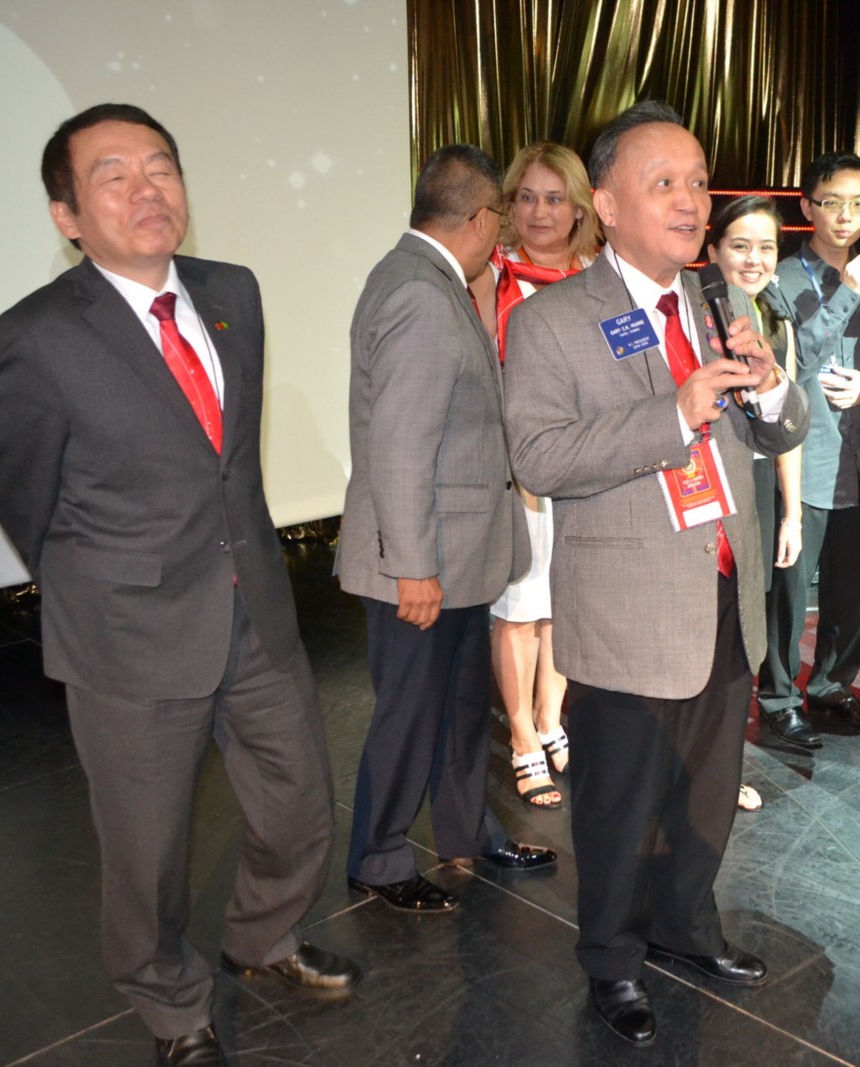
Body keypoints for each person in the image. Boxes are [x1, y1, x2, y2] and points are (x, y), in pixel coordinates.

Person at [0, 103, 359, 1067]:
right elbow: (19, 486)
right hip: (128, 636)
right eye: (113, 175)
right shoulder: (36, 336)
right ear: (67, 216)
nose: (146, 189)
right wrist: (95, 584)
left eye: (160, 167)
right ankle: (169, 1003)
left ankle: (262, 936)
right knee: (145, 853)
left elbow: (229, 464)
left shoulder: (234, 290)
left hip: (254, 607)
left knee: (300, 803)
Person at [502, 100, 809, 1046]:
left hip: (724, 588)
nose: (691, 202)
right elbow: (539, 458)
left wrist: (772, 387)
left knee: (706, 791)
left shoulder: (723, 302)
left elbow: (782, 432)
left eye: (699, 182)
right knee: (619, 803)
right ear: (606, 203)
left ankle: (685, 926)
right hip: (628, 606)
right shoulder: (553, 320)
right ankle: (612, 959)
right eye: (665, 183)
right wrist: (674, 414)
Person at [336, 145, 556, 917]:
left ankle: (468, 832)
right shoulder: (422, 295)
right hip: (422, 564)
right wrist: (415, 568)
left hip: (456, 557)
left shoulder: (431, 279)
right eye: (504, 215)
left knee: (461, 712)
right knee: (410, 716)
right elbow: (401, 445)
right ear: (481, 216)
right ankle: (378, 856)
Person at [469, 142, 600, 810]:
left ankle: (552, 718)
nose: (540, 212)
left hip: (586, 463)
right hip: (514, 468)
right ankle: (522, 736)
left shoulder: (600, 276)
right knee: (520, 610)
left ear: (580, 208)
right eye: (526, 197)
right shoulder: (487, 276)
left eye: (554, 198)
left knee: (564, 603)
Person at [757, 153, 860, 751]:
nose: (846, 217)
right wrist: (848, 292)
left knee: (852, 587)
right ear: (807, 206)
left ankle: (834, 685)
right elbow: (796, 363)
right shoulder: (779, 280)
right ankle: (779, 699)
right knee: (789, 590)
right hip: (804, 457)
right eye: (833, 202)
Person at [705, 194, 805, 812]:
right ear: (712, 250)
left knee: (745, 634)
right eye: (739, 245)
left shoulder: (777, 320)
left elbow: (787, 426)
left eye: (766, 247)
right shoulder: (696, 315)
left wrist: (792, 513)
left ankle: (725, 767)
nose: (754, 259)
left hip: (757, 492)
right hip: (705, 489)